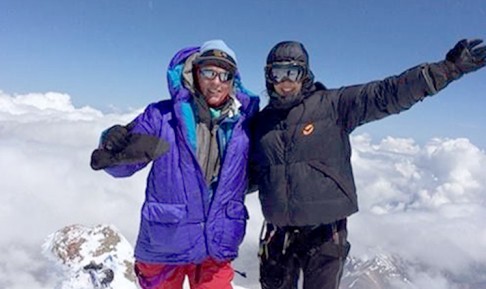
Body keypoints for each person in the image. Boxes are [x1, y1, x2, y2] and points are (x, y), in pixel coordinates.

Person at [250, 39, 486, 289]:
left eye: (293, 72)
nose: (285, 82)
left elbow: (388, 93)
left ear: (305, 75)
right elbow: (248, 175)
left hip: (324, 233)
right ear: (269, 76)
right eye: (278, 73)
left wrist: (447, 69)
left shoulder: (334, 106)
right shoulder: (261, 124)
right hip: (278, 234)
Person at [90, 39, 259, 289]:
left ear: (234, 80)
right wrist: (111, 142)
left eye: (225, 75)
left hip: (217, 243)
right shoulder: (161, 117)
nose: (216, 81)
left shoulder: (244, 126)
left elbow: (258, 172)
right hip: (166, 243)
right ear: (195, 73)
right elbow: (121, 165)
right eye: (209, 72)